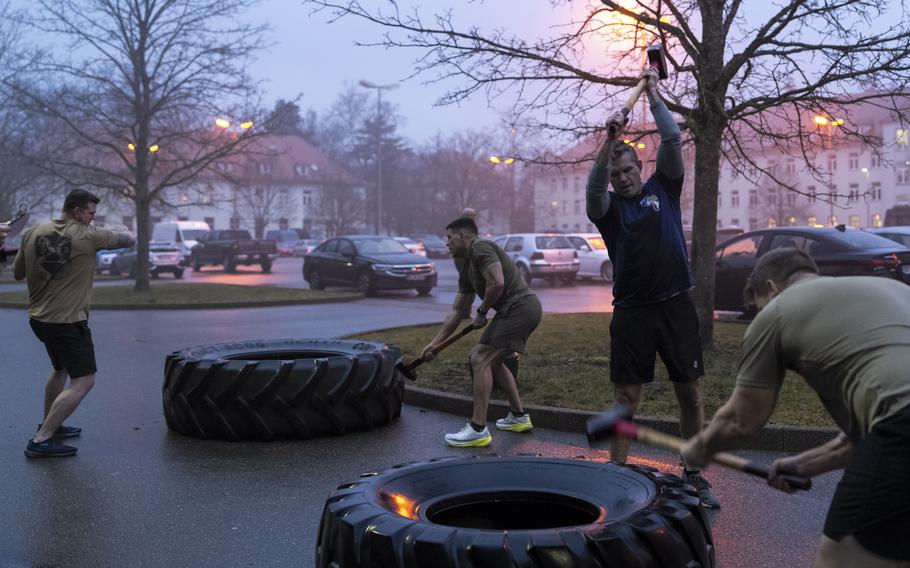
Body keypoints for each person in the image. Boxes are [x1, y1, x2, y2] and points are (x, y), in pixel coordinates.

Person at [681, 248, 910, 567]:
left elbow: (741, 421)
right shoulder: (890, 291)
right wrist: (805, 463)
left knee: (838, 558)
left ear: (772, 288)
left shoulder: (778, 311)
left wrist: (698, 449)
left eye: (758, 304)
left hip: (901, 428)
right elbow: (867, 437)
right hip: (899, 427)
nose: (759, 313)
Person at [586, 67, 718, 508]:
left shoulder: (665, 186)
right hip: (632, 312)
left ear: (639, 167)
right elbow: (591, 189)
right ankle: (617, 473)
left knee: (690, 393)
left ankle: (695, 471)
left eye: (627, 170)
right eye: (615, 173)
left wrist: (656, 96)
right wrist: (607, 143)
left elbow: (674, 141)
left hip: (676, 305)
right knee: (626, 397)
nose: (622, 178)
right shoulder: (608, 212)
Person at [15, 189, 135, 458]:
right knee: (84, 380)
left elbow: (18, 273)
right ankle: (41, 439)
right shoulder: (89, 234)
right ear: (77, 211)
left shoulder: (33, 231)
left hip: (40, 319)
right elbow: (129, 239)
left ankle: (51, 424)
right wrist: (122, 225)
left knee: (60, 370)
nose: (92, 219)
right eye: (90, 213)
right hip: (68, 323)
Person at [421, 217, 541, 447]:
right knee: (494, 361)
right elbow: (457, 311)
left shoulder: (480, 248)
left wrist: (483, 310)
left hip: (520, 308)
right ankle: (518, 417)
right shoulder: (467, 268)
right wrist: (435, 345)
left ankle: (478, 429)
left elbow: (497, 282)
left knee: (479, 358)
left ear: (463, 235)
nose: (447, 243)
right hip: (517, 310)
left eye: (449, 237)